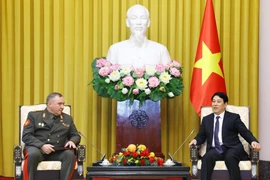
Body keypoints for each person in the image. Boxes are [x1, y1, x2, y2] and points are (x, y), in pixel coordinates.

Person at [189, 92, 261, 180]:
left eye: (218, 102)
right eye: (213, 101)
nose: (215, 104)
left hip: (232, 148)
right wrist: (195, 140)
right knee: (207, 157)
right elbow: (201, 135)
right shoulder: (207, 119)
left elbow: (244, 132)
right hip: (216, 149)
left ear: (225, 104)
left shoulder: (233, 118)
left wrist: (253, 141)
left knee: (230, 157)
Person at [22, 92, 81, 180]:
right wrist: (41, 146)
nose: (62, 107)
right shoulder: (34, 116)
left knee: (69, 155)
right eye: (59, 104)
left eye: (63, 104)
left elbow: (76, 135)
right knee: (32, 154)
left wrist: (72, 141)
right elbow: (26, 136)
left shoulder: (67, 119)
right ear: (50, 104)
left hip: (57, 150)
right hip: (37, 149)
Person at [106, 4, 171, 68]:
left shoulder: (161, 50)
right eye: (134, 18)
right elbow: (107, 77)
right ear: (127, 22)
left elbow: (170, 76)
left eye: (143, 18)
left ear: (148, 22)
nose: (139, 22)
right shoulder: (115, 50)